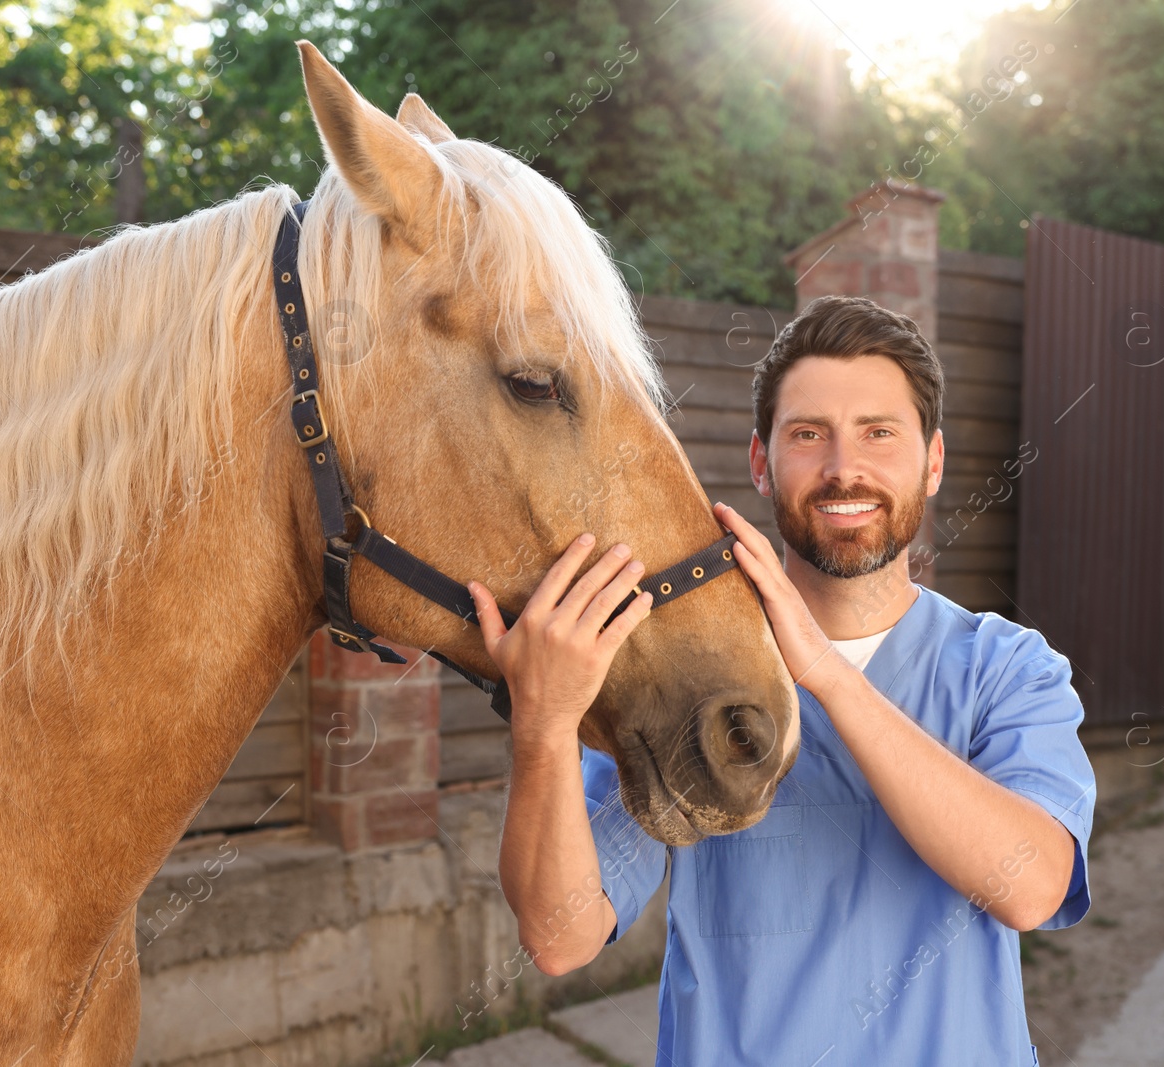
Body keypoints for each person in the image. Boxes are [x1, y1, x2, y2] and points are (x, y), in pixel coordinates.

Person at [467, 295, 1095, 1066]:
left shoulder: (1008, 668)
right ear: (762, 461)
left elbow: (1030, 888)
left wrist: (826, 674)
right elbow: (562, 936)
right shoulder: (692, 680)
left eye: (879, 433)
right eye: (808, 434)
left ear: (932, 463)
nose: (843, 468)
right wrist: (543, 724)